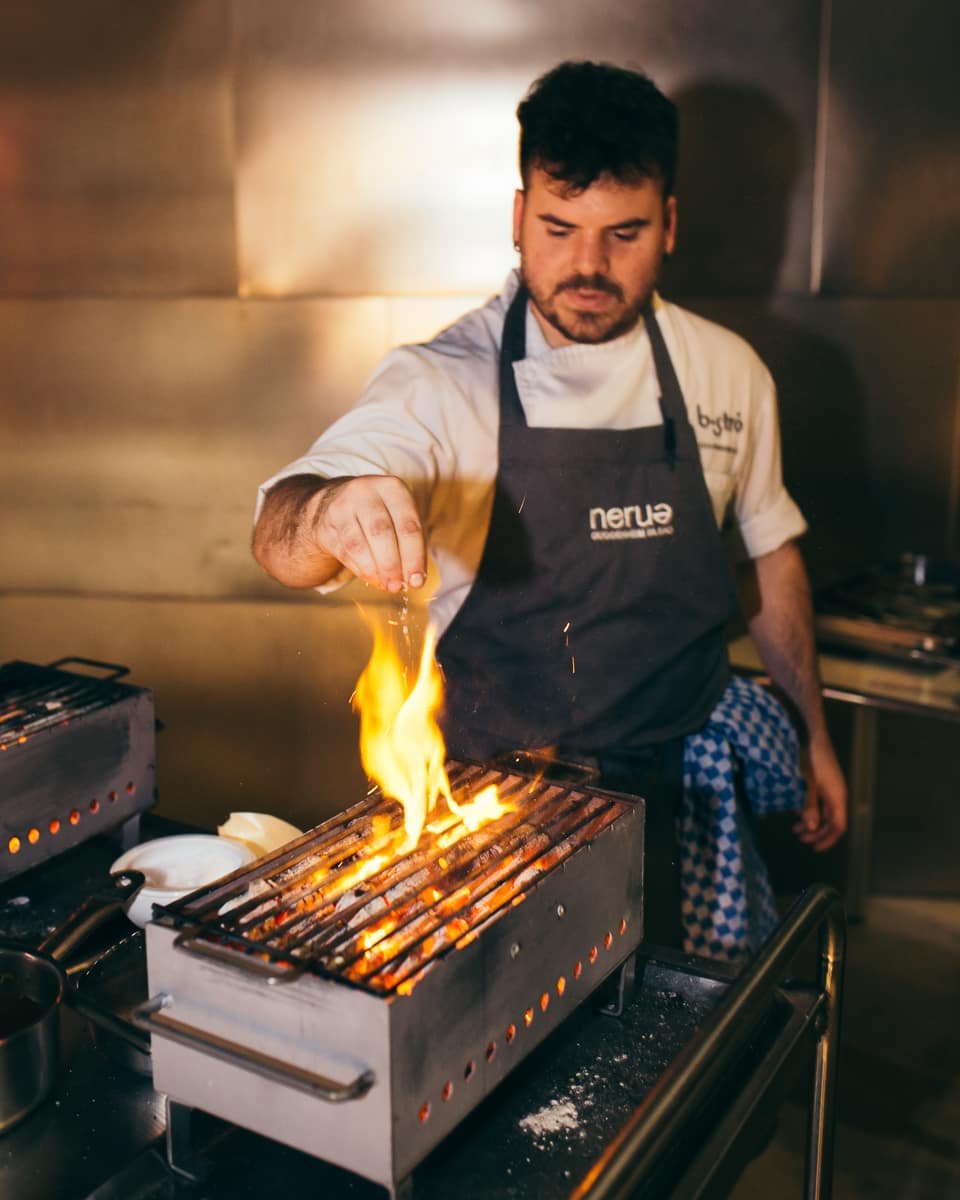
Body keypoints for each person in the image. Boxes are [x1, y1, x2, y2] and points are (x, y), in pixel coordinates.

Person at [252, 61, 847, 951]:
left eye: (625, 233)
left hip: (688, 786)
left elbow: (770, 553)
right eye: (558, 228)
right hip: (504, 809)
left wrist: (813, 733)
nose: (587, 266)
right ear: (518, 216)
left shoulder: (728, 373)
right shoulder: (442, 381)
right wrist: (328, 510)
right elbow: (282, 532)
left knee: (681, 1049)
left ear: (670, 225)